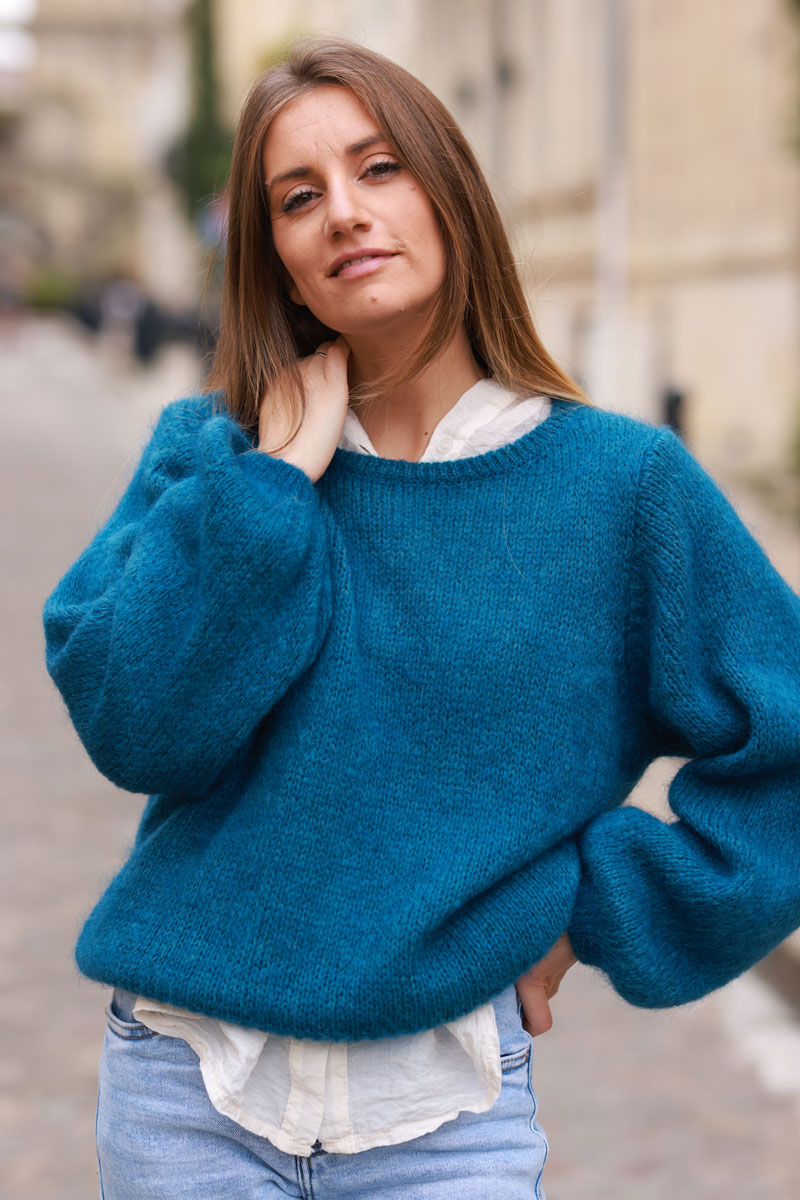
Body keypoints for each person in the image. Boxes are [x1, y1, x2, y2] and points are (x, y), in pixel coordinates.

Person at [41, 36, 800, 1200]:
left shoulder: (619, 489)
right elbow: (137, 727)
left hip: (446, 1115)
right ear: (280, 263)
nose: (343, 213)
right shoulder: (212, 459)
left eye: (378, 167)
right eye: (299, 199)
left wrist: (599, 901)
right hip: (182, 1086)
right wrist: (273, 487)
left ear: (450, 194)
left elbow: (784, 749)